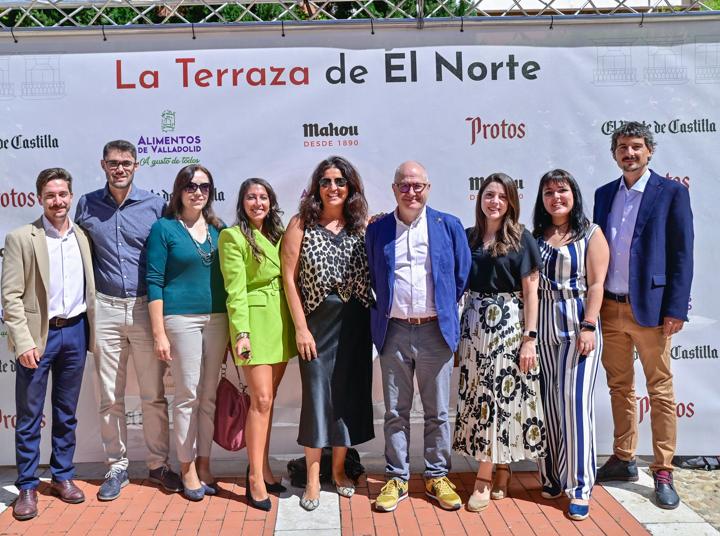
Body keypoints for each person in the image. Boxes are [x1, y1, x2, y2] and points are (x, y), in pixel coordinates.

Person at [593, 121, 693, 510]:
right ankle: (624, 457)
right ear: (614, 153)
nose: (629, 153)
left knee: (660, 390)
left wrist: (675, 307)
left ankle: (664, 468)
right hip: (610, 308)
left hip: (651, 310)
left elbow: (683, 254)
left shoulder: (671, 193)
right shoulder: (603, 195)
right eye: (622, 147)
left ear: (649, 151)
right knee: (620, 387)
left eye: (636, 146)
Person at [75, 140, 181, 500]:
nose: (119, 169)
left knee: (153, 394)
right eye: (113, 163)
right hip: (103, 306)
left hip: (143, 307)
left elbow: (167, 256)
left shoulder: (155, 205)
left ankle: (157, 465)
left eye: (126, 163)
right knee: (109, 396)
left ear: (136, 166)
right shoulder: (86, 205)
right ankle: (116, 467)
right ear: (103, 165)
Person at [366, 161, 470, 513]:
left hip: (434, 330)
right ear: (394, 189)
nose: (412, 192)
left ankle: (437, 475)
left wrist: (437, 309)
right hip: (393, 330)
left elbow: (460, 276)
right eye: (405, 186)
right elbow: (372, 274)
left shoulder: (448, 226)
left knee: (438, 412)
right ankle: (397, 478)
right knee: (395, 411)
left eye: (418, 186)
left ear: (428, 188)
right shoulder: (378, 230)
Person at [282, 156, 374, 511]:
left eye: (339, 181)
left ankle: (338, 472)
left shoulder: (360, 226)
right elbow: (288, 278)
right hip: (316, 325)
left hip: (355, 324)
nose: (332, 187)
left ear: (350, 187)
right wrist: (301, 328)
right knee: (317, 400)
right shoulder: (301, 223)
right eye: (325, 181)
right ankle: (311, 480)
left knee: (347, 398)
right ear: (316, 187)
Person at [2, 168, 95, 520]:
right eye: (50, 195)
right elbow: (10, 296)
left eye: (63, 194)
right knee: (29, 416)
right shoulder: (21, 238)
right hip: (38, 338)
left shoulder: (82, 237)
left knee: (66, 414)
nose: (58, 201)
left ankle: (62, 476)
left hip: (75, 333)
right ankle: (27, 485)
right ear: (39, 198)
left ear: (71, 197)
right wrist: (23, 341)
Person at [452, 173, 546, 512]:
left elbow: (532, 291)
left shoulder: (522, 238)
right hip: (474, 323)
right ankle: (502, 467)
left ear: (510, 203)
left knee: (499, 398)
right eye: (489, 194)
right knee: (480, 397)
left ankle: (484, 476)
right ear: (480, 199)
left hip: (508, 324)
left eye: (502, 197)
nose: (494, 201)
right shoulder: (468, 237)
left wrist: (529, 338)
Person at [146, 165, 229, 501]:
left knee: (209, 397)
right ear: (179, 190)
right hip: (180, 320)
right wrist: (158, 333)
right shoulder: (163, 229)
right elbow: (154, 282)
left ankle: (205, 462)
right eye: (191, 186)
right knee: (187, 396)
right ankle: (187, 467)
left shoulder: (219, 230)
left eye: (205, 187)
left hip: (219, 320)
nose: (198, 192)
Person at [532, 169, 609, 521]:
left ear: (574, 194)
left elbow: (596, 285)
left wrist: (589, 326)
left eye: (562, 190)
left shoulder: (590, 233)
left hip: (579, 327)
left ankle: (580, 488)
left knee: (575, 404)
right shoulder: (537, 236)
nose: (556, 197)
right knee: (548, 403)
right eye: (549, 191)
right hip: (544, 330)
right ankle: (551, 476)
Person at [218, 178, 296, 511]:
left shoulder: (278, 236)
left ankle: (262, 468)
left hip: (280, 323)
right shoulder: (232, 237)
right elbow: (234, 291)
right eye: (251, 197)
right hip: (253, 327)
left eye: (264, 197)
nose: (258, 202)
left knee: (267, 401)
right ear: (242, 202)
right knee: (260, 399)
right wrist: (242, 334)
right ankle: (253, 481)